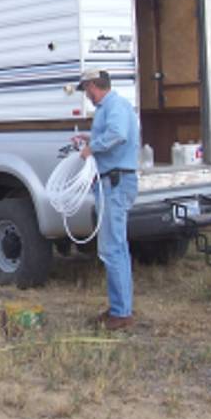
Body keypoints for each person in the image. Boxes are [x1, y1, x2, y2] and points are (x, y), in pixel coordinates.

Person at [72, 69, 139, 331]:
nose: (85, 95)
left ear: (92, 86)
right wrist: (89, 138)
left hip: (115, 182)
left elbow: (118, 134)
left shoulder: (114, 106)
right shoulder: (109, 107)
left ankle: (121, 313)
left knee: (112, 248)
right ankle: (119, 308)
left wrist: (92, 148)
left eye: (85, 89)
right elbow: (112, 134)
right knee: (116, 247)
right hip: (112, 181)